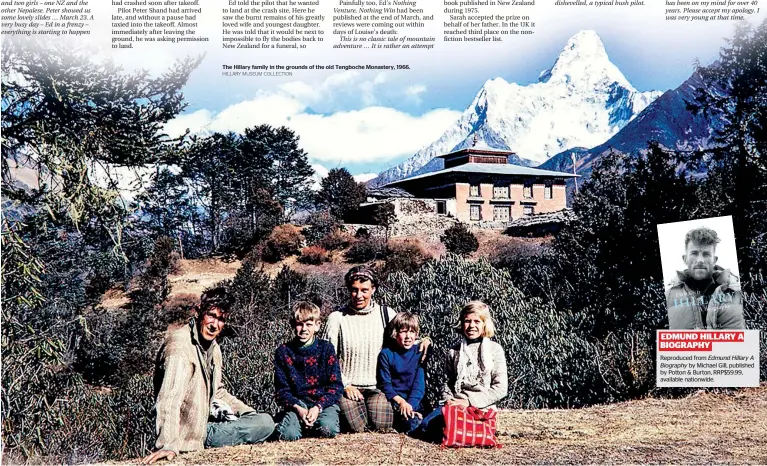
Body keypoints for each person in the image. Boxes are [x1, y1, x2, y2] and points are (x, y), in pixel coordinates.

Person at [142, 287, 274, 465]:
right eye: (211, 315)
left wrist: (247, 414)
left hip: (204, 424)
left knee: (264, 421)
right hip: (189, 435)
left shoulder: (213, 348)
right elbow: (169, 399)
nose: (214, 324)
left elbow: (217, 392)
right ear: (198, 313)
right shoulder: (180, 347)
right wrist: (168, 444)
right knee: (265, 425)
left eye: (221, 319)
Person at [321, 265, 430, 433]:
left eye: (364, 290)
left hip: (377, 387)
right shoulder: (337, 318)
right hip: (349, 386)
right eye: (354, 290)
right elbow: (328, 359)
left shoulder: (386, 314)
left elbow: (405, 335)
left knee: (383, 425)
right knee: (357, 427)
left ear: (373, 289)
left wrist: (425, 340)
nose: (359, 295)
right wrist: (346, 385)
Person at [413, 301, 508, 442]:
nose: (472, 326)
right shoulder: (454, 350)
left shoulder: (495, 350)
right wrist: (450, 400)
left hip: (480, 406)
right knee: (426, 426)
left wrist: (469, 402)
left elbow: (500, 388)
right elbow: (446, 382)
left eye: (477, 321)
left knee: (462, 429)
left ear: (484, 324)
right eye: (467, 321)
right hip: (455, 403)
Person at [273, 301, 344, 441]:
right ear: (293, 325)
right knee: (287, 435)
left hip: (323, 403)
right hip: (297, 405)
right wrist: (298, 408)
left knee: (327, 429)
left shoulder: (326, 349)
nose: (304, 329)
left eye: (309, 324)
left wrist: (318, 407)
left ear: (317, 326)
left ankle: (313, 423)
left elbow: (336, 386)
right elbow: (281, 390)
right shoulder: (283, 352)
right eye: (300, 324)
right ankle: (297, 423)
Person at [666, 227, 745, 329]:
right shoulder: (668, 297)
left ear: (714, 260)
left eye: (706, 254)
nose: (700, 260)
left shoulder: (739, 293)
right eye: (694, 253)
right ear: (685, 259)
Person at [376, 312, 426, 434]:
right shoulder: (386, 354)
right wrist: (401, 403)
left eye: (412, 332)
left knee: (426, 423)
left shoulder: (420, 352)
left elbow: (419, 385)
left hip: (415, 401)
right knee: (410, 424)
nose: (408, 336)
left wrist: (410, 406)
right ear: (395, 333)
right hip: (396, 402)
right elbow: (385, 384)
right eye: (403, 332)